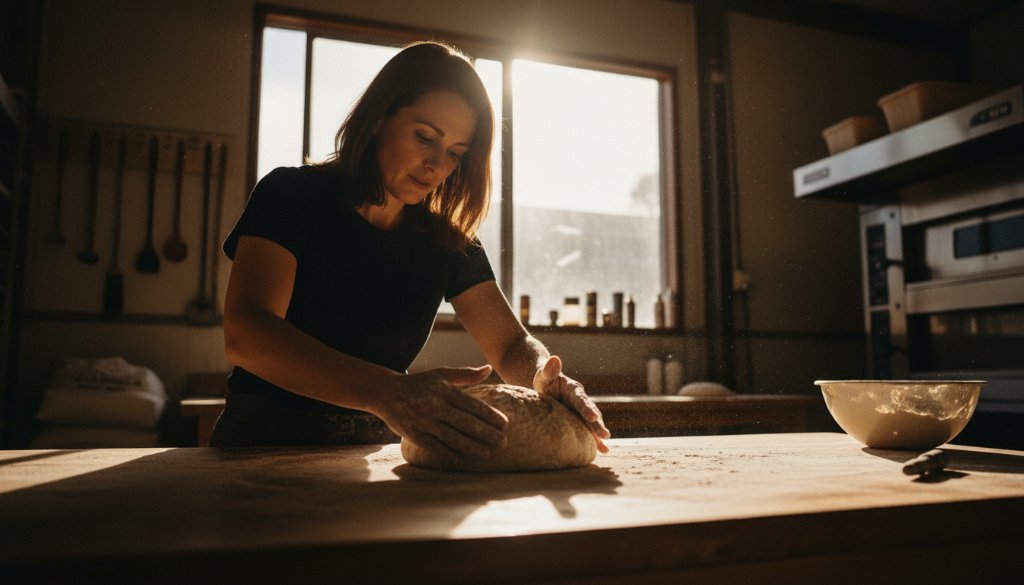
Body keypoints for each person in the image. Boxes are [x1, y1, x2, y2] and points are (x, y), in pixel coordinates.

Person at [211, 41, 610, 461]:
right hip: (259, 443)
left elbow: (510, 344)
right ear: (380, 117)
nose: (437, 165)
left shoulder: (448, 243)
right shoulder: (291, 195)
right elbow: (247, 332)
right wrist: (389, 392)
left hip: (372, 451)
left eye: (455, 153)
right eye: (425, 138)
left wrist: (544, 376)